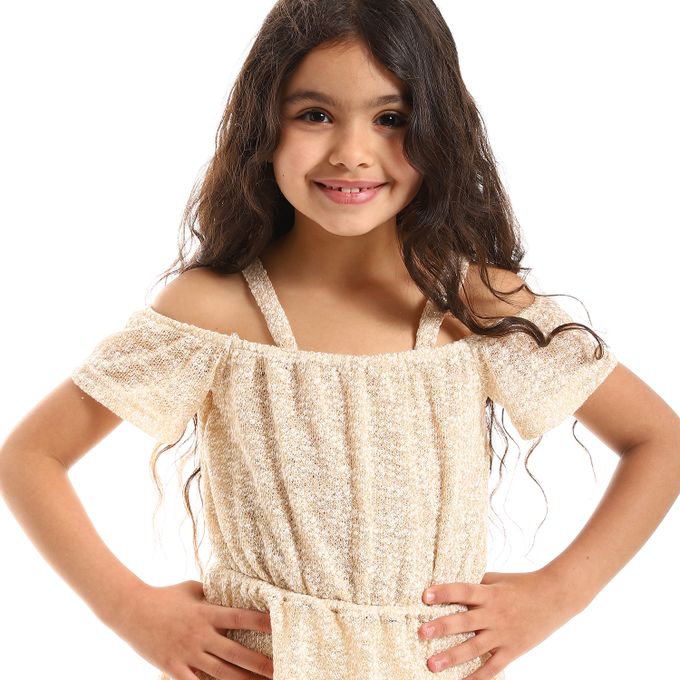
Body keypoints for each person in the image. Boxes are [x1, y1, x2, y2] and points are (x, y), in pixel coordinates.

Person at [1, 1, 678, 679]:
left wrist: (556, 596)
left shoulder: (473, 303)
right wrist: (132, 611)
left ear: (438, 130)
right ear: (264, 125)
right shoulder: (215, 309)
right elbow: (30, 456)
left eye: (392, 119)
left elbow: (660, 441)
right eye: (315, 114)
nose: (352, 153)